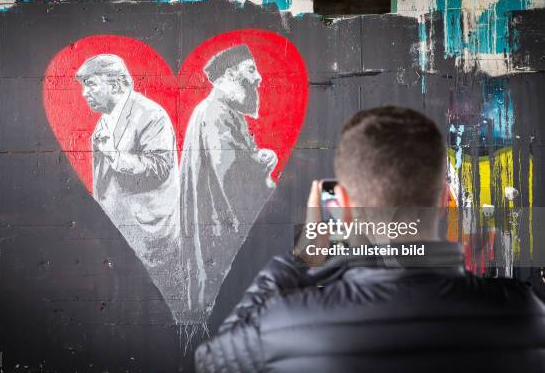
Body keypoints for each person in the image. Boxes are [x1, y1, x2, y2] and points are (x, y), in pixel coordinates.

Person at [194, 106, 545, 372]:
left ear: (343, 205)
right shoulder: (524, 313)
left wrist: (302, 259)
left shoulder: (283, 323)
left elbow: (211, 359)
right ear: (443, 199)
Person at [76, 54, 184, 320]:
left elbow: (159, 167)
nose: (84, 93)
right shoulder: (104, 122)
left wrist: (115, 156)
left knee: (159, 310)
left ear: (116, 84)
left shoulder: (150, 115)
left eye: (91, 84)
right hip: (117, 233)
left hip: (150, 235)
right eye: (83, 86)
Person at [179, 45, 278, 321]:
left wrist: (258, 158)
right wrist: (263, 173)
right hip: (221, 231)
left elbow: (233, 160)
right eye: (250, 70)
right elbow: (232, 176)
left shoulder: (223, 112)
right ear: (230, 75)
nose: (258, 78)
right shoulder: (216, 112)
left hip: (220, 228)